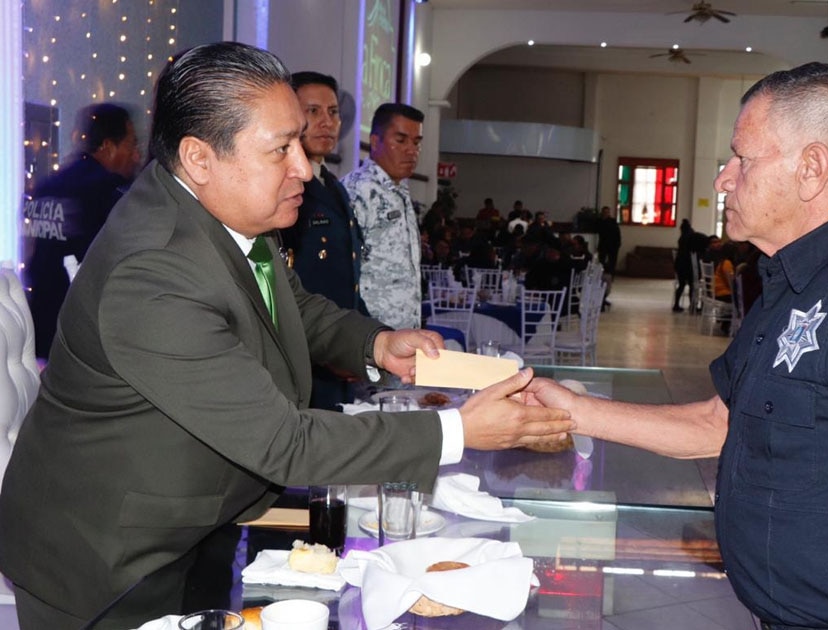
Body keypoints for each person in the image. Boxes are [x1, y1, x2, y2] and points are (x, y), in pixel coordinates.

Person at [0, 42, 573, 629]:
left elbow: (288, 306)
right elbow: (283, 442)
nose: (302, 166)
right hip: (109, 558)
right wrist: (458, 430)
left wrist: (374, 344)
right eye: (280, 149)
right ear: (199, 158)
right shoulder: (152, 273)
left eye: (299, 142)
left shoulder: (228, 211)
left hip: (195, 520)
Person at [525, 62, 828, 630]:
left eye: (742, 159)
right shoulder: (796, 282)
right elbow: (718, 423)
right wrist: (573, 410)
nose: (724, 180)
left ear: (812, 169)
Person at [21, 102, 141, 358]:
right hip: (84, 339)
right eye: (131, 144)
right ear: (108, 146)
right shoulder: (107, 192)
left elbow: (32, 257)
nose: (136, 156)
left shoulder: (44, 188)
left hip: (39, 331)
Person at [278, 71, 368, 409]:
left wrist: (366, 336)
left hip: (338, 352)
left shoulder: (332, 186)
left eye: (333, 112)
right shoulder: (286, 189)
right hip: (307, 358)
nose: (326, 122)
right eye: (313, 111)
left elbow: (347, 279)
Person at [342, 103, 425, 331]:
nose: (411, 150)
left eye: (416, 142)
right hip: (371, 334)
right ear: (375, 141)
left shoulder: (399, 190)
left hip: (402, 332)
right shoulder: (358, 191)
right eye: (401, 140)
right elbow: (343, 272)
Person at [596, 205, 621, 275]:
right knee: (601, 261)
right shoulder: (599, 221)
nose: (606, 214)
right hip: (603, 244)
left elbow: (617, 233)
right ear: (602, 213)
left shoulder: (613, 221)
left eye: (607, 212)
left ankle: (611, 275)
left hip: (613, 244)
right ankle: (600, 275)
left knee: (612, 262)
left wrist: (618, 244)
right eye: (604, 212)